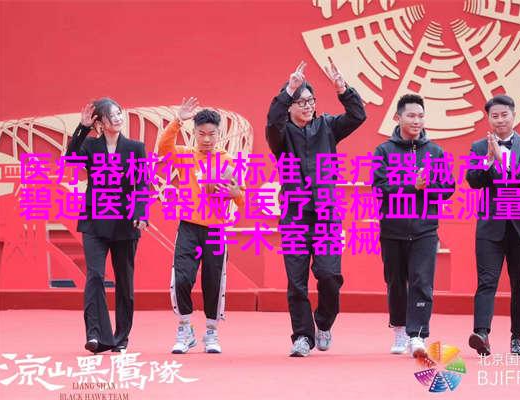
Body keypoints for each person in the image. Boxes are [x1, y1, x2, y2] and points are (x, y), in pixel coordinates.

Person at [266, 61, 366, 357]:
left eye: (311, 101)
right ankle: (302, 337)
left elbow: (357, 115)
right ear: (290, 107)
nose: (308, 106)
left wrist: (343, 89)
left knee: (329, 275)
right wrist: (289, 89)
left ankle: (323, 323)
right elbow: (272, 121)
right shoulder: (281, 135)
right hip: (295, 217)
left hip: (326, 216)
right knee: (297, 282)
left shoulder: (327, 127)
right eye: (302, 102)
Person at [157, 98, 245, 354]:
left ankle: (211, 332)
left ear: (219, 134)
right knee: (182, 278)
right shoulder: (185, 156)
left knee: (213, 281)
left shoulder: (228, 160)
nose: (206, 139)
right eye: (201, 133)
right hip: (188, 227)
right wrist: (177, 120)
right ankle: (185, 329)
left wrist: (234, 194)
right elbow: (163, 148)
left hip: (216, 230)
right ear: (194, 133)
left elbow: (242, 197)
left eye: (211, 134)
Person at [373, 94, 454, 357]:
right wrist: (412, 185)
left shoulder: (435, 152)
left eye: (420, 116)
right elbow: (380, 188)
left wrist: (428, 186)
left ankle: (418, 334)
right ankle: (399, 329)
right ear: (398, 118)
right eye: (411, 115)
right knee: (396, 282)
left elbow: (447, 189)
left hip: (425, 229)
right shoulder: (384, 151)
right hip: (393, 229)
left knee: (422, 281)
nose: (416, 121)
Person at [66, 98, 149, 353]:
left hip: (125, 221)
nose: (118, 118)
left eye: (119, 113)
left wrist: (141, 212)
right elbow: (71, 160)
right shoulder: (90, 145)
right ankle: (95, 335)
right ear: (100, 122)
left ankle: (121, 336)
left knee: (124, 281)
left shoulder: (135, 148)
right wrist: (82, 128)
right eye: (112, 115)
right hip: (94, 220)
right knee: (95, 276)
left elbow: (142, 183)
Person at [466, 94, 520, 356]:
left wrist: (504, 160)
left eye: (504, 115)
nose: (499, 120)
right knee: (486, 281)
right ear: (488, 119)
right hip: (490, 225)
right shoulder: (479, 147)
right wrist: (488, 160)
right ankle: (481, 334)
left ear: (513, 115)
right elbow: (473, 181)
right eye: (494, 116)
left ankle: (517, 337)